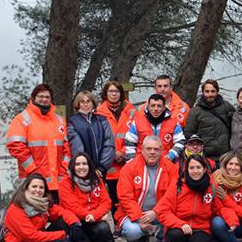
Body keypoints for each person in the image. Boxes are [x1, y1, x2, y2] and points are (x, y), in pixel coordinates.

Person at [3, 173, 129, 242]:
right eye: (34, 187)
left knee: (64, 223)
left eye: (41, 187)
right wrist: (63, 235)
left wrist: (75, 224)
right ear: (26, 188)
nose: (38, 190)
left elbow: (62, 212)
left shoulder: (42, 204)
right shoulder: (16, 209)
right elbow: (30, 236)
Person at [156, 154, 221, 242]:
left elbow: (219, 210)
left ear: (204, 169)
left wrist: (231, 221)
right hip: (180, 227)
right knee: (174, 235)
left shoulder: (211, 187)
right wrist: (180, 224)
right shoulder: (177, 186)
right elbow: (163, 211)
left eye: (198, 167)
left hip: (201, 228)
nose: (195, 171)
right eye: (191, 168)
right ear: (187, 169)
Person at [116, 135, 178, 242]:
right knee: (132, 231)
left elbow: (172, 195)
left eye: (156, 149)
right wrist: (139, 218)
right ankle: (135, 241)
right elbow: (125, 197)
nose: (152, 152)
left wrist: (156, 212)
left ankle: (162, 240)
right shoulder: (129, 168)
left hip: (160, 212)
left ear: (161, 151)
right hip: (135, 214)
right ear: (142, 149)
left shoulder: (171, 168)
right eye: (149, 149)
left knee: (176, 216)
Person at [6, 83, 70, 197]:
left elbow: (67, 148)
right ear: (33, 98)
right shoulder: (22, 119)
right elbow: (15, 146)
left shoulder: (59, 120)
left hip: (58, 182)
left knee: (57, 214)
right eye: (41, 96)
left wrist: (63, 169)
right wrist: (33, 171)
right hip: (33, 184)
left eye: (47, 97)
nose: (44, 99)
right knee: (34, 214)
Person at [58, 152, 116, 242]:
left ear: (89, 166)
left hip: (93, 218)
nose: (81, 167)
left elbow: (106, 202)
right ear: (72, 167)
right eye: (77, 164)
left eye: (84, 164)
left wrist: (94, 215)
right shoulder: (65, 183)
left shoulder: (96, 179)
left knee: (106, 235)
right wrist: (89, 215)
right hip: (75, 222)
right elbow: (72, 207)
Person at [97, 81, 136, 215]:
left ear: (121, 93)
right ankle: (117, 225)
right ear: (105, 94)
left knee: (128, 196)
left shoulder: (131, 111)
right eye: (111, 91)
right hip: (109, 164)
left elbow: (138, 134)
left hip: (128, 161)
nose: (114, 94)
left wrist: (124, 152)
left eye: (116, 91)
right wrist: (112, 153)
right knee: (112, 198)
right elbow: (98, 139)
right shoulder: (98, 113)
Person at [66, 91, 115, 182]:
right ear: (78, 104)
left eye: (88, 101)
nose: (86, 104)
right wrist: (86, 168)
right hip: (84, 171)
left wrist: (101, 168)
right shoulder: (73, 122)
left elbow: (109, 144)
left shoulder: (102, 120)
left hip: (101, 171)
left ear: (93, 103)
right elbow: (77, 148)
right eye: (82, 102)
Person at [124, 93, 185, 163]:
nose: (156, 109)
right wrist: (132, 162)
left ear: (164, 107)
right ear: (148, 107)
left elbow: (180, 141)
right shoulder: (138, 122)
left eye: (159, 106)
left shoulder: (173, 123)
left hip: (166, 164)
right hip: (141, 165)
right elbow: (129, 143)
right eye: (153, 106)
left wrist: (170, 155)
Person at [184, 78, 235, 159]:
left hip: (225, 155)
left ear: (217, 92)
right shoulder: (195, 111)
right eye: (207, 91)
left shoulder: (226, 107)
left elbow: (239, 122)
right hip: (205, 156)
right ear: (203, 92)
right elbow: (188, 133)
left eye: (213, 91)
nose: (210, 94)